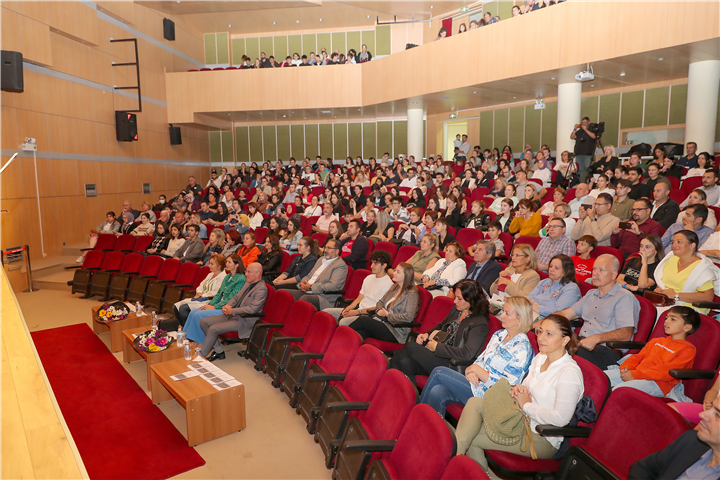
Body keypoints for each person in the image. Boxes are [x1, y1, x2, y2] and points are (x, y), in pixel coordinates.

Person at [455, 314, 584, 470]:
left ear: (565, 340)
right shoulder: (541, 358)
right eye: (540, 331)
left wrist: (526, 405)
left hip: (541, 436)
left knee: (472, 437)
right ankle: (457, 458)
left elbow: (560, 419)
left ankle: (457, 461)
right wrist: (520, 389)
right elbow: (526, 388)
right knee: (474, 402)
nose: (541, 338)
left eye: (549, 334)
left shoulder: (569, 373)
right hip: (520, 418)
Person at [418, 296, 534, 416]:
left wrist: (477, 370)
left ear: (520, 319)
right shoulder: (499, 335)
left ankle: (414, 418)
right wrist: (471, 371)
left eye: (507, 313)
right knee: (437, 392)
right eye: (503, 311)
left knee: (439, 372)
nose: (501, 316)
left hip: (490, 396)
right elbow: (481, 359)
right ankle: (428, 429)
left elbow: (506, 387)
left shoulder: (522, 348)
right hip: (476, 385)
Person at [389, 279, 490, 386]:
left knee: (410, 347)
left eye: (459, 298)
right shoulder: (457, 310)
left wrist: (437, 347)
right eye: (455, 297)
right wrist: (426, 334)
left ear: (472, 300)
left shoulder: (479, 323)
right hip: (438, 355)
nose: (455, 301)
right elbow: (441, 326)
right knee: (405, 363)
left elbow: (467, 354)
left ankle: (384, 376)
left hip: (452, 364)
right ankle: (406, 396)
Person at [556, 254, 640, 370]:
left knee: (564, 355)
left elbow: (626, 334)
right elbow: (566, 314)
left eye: (601, 270)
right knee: (552, 343)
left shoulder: (625, 298)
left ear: (614, 274)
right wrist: (542, 323)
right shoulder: (591, 294)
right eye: (594, 269)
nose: (595, 273)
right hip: (582, 344)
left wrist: (597, 338)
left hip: (606, 350)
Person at [605, 305, 699, 400]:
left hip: (658, 383)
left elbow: (666, 371)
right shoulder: (657, 341)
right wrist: (626, 368)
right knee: (601, 377)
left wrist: (636, 375)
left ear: (687, 327)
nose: (666, 321)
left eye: (673, 319)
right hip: (636, 373)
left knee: (620, 390)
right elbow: (638, 357)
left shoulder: (688, 350)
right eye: (666, 318)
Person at [630, 395, 720, 480]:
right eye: (711, 407)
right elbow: (642, 468)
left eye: (718, 415)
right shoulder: (691, 441)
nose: (702, 414)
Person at [197, 263, 268, 362]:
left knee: (213, 328)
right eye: (246, 271)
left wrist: (232, 311)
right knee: (204, 322)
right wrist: (228, 306)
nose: (246, 274)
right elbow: (236, 297)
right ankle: (218, 351)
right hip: (233, 315)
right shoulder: (248, 283)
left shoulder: (262, 289)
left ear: (258, 274)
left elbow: (252, 309)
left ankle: (199, 358)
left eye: (249, 272)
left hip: (244, 320)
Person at [349, 262, 420, 343]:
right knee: (360, 334)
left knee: (363, 320)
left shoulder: (412, 293)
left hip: (397, 331)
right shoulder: (395, 287)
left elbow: (409, 317)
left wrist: (388, 315)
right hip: (383, 322)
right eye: (395, 270)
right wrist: (379, 310)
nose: (394, 273)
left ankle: (339, 336)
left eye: (398, 272)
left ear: (406, 276)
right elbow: (380, 302)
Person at [324, 250, 394, 326]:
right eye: (372, 262)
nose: (371, 266)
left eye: (375, 263)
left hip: (369, 316)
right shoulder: (369, 278)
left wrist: (356, 312)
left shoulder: (388, 284)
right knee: (325, 313)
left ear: (384, 265)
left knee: (343, 322)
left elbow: (378, 308)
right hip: (358, 311)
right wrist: (348, 309)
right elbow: (359, 298)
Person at [654, 230, 718, 313]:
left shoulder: (702, 267)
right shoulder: (671, 259)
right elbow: (661, 282)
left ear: (692, 245)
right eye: (673, 242)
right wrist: (659, 289)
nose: (674, 245)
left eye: (679, 242)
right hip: (665, 303)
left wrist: (676, 296)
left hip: (689, 309)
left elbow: (708, 297)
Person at [183, 254, 247, 337]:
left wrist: (214, 307)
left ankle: (199, 340)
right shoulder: (228, 276)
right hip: (220, 304)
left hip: (227, 308)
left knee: (198, 314)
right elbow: (219, 294)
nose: (226, 264)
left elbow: (231, 299)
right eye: (226, 262)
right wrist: (210, 304)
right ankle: (186, 335)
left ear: (237, 265)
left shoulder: (241, 279)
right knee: (193, 312)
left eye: (229, 262)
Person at [289, 239, 348, 310]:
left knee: (305, 298)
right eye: (325, 247)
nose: (325, 250)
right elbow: (309, 275)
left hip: (323, 296)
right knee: (285, 294)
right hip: (307, 291)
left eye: (329, 248)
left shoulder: (340, 265)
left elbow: (333, 286)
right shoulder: (321, 259)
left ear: (337, 251)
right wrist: (302, 283)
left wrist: (311, 287)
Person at [172, 254, 228, 326]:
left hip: (210, 300)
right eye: (209, 263)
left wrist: (203, 295)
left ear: (219, 266)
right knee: (175, 307)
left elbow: (217, 292)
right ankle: (185, 327)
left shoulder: (224, 277)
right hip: (200, 298)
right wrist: (199, 293)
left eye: (212, 264)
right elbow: (201, 286)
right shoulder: (210, 274)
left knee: (184, 308)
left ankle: (188, 328)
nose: (209, 266)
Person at [528, 254, 582, 320]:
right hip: (533, 314)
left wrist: (536, 307)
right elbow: (528, 299)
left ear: (566, 271)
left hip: (553, 322)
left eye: (557, 268)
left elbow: (558, 311)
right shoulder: (544, 282)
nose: (551, 269)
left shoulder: (571, 288)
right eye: (550, 266)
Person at [571, 117, 597, 182]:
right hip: (579, 153)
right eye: (582, 123)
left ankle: (588, 184)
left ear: (589, 123)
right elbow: (572, 137)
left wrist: (586, 130)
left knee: (588, 170)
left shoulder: (592, 130)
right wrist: (575, 129)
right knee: (579, 170)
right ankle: (580, 183)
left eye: (585, 122)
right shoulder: (579, 131)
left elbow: (594, 136)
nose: (583, 124)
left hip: (588, 153)